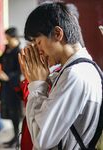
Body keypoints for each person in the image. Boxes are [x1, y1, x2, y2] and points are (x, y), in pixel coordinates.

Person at [18, 2, 102, 149]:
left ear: (57, 34)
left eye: (38, 43)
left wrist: (37, 85)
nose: (39, 52)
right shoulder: (76, 70)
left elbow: (42, 140)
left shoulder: (75, 75)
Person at [0, 27, 22, 147]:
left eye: (8, 38)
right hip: (6, 86)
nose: (6, 40)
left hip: (14, 87)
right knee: (10, 112)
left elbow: (20, 71)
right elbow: (0, 59)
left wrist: (8, 77)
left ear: (14, 37)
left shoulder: (19, 52)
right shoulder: (7, 49)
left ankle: (17, 138)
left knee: (15, 113)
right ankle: (14, 137)